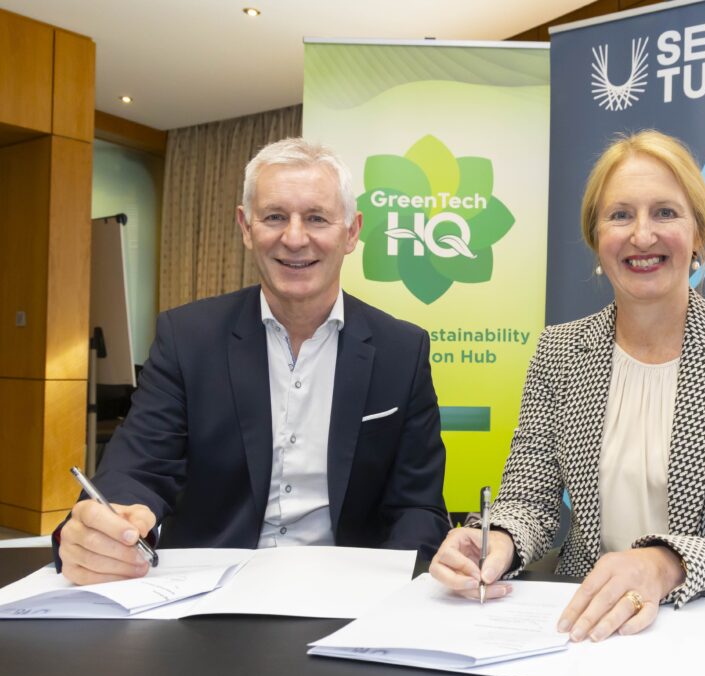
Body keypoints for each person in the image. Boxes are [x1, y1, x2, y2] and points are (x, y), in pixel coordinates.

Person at [430, 130, 705, 642]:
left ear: (698, 235)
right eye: (620, 215)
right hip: (594, 625)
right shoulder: (559, 353)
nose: (642, 235)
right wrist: (494, 539)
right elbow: (528, 501)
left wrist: (662, 564)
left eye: (666, 213)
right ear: (595, 238)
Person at [56, 138, 449, 584]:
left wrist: (386, 589)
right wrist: (106, 528)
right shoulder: (186, 338)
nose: (295, 238)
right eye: (275, 216)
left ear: (352, 232)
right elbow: (137, 468)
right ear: (246, 227)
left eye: (317, 218)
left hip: (347, 593)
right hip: (207, 597)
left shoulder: (403, 350)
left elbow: (418, 506)